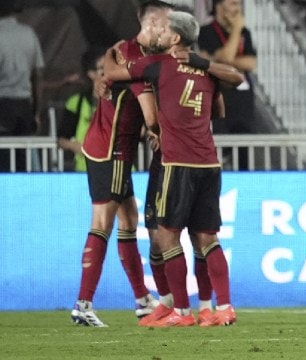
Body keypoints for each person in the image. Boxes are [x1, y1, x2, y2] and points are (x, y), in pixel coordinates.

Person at [104, 10, 243, 327]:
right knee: (207, 239)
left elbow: (114, 72)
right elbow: (220, 107)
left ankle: (181, 312)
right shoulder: (207, 70)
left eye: (164, 30)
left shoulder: (158, 65)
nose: (160, 33)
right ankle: (223, 307)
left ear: (175, 38)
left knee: (166, 238)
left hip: (176, 163)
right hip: (209, 163)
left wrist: (110, 54)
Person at [70, 0, 177, 328]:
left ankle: (142, 300)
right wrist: (160, 131)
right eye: (169, 24)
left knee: (129, 220)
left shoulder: (120, 48)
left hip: (106, 145)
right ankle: (83, 303)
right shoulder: (139, 61)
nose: (170, 31)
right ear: (155, 22)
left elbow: (110, 75)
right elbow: (148, 112)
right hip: (113, 149)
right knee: (103, 221)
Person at [197, 0, 258, 170]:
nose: (237, 9)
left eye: (239, 4)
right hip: (221, 100)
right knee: (219, 151)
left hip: (243, 103)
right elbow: (227, 57)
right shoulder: (206, 31)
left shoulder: (246, 33)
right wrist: (236, 30)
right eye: (232, 3)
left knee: (244, 152)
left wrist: (223, 59)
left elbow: (251, 63)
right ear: (218, 6)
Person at [0, 0, 44, 172]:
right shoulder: (29, 33)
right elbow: (38, 75)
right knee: (23, 157)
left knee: (2, 157)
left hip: (2, 104)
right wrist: (36, 112)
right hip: (24, 106)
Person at [57, 47, 106, 172]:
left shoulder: (122, 99)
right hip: (84, 171)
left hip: (119, 170)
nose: (108, 72)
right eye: (102, 68)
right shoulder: (76, 103)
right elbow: (62, 139)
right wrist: (77, 147)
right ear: (91, 73)